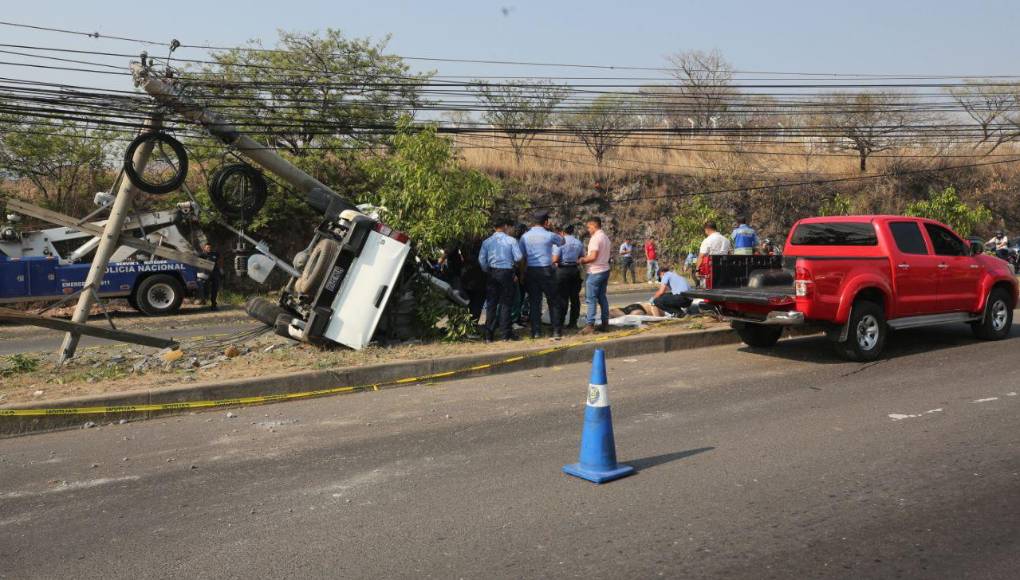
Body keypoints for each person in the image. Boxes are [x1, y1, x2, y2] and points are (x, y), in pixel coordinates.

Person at [519, 210, 565, 340]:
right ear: (546, 222)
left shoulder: (525, 237)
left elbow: (521, 257)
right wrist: (550, 230)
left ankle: (536, 332)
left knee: (534, 302)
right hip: (547, 271)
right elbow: (562, 242)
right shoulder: (550, 235)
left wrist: (522, 274)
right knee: (553, 301)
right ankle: (556, 331)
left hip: (532, 271)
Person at [479, 217, 523, 341]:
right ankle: (505, 334)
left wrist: (487, 270)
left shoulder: (487, 242)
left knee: (491, 304)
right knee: (506, 304)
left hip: (492, 272)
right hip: (507, 273)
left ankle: (489, 336)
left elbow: (481, 260)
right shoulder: (511, 240)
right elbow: (519, 257)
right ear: (505, 226)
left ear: (494, 228)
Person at [578, 216, 611, 334]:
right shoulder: (606, 237)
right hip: (605, 270)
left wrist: (582, 260)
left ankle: (590, 325)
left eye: (589, 227)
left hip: (595, 271)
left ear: (593, 226)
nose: (588, 229)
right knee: (602, 297)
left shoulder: (595, 238)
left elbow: (593, 256)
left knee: (591, 299)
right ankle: (605, 323)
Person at [553, 224, 584, 330]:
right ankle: (573, 323)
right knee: (575, 298)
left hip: (562, 270)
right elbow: (581, 257)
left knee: (562, 298)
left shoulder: (560, 242)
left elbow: (556, 258)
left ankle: (560, 322)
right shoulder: (578, 242)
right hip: (575, 270)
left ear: (562, 232)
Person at [199, 242, 222, 311]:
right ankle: (204, 301)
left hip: (215, 273)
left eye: (210, 247)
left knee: (214, 290)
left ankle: (213, 305)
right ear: (204, 248)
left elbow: (220, 260)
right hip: (206, 274)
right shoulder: (202, 255)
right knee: (205, 289)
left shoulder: (215, 254)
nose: (209, 249)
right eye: (207, 247)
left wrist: (221, 268)